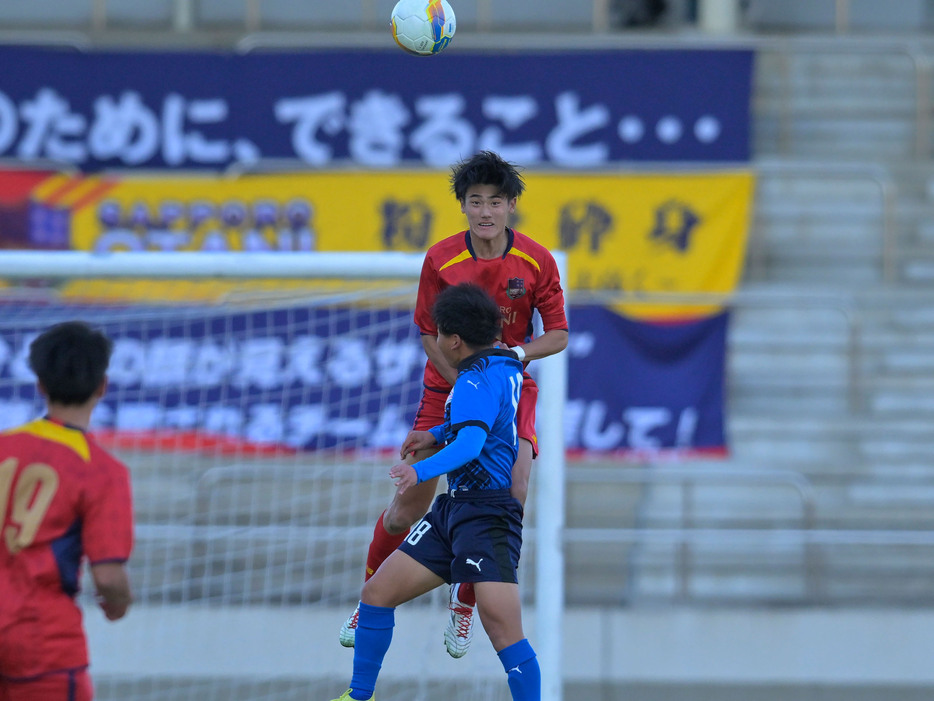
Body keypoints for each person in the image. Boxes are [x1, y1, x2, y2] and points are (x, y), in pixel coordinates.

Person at [340, 150, 569, 658]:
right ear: (462, 207)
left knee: (514, 490)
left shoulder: (536, 261)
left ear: (511, 206)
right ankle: (370, 596)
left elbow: (558, 335)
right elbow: (427, 331)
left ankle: (464, 600)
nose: (485, 212)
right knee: (406, 512)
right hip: (446, 388)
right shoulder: (441, 259)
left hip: (511, 392)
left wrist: (513, 357)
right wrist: (466, 384)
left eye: (495, 201)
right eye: (474, 202)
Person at [330, 282, 540, 701]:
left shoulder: (472, 381)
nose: (436, 340)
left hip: (486, 518)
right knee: (378, 592)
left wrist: (418, 471)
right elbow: (484, 424)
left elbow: (471, 444)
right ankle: (359, 696)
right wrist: (435, 434)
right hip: (453, 512)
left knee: (504, 633)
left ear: (454, 340)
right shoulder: (503, 365)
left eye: (439, 333)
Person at [0, 321, 134, 701]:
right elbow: (108, 578)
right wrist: (118, 607)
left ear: (40, 384)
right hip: (41, 642)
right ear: (102, 386)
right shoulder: (102, 471)